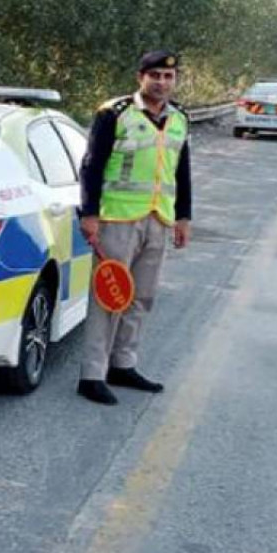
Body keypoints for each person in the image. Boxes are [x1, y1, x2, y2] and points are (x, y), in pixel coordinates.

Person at [76, 50, 193, 406]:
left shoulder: (178, 117)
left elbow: (181, 169)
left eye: (168, 77)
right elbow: (92, 165)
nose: (162, 82)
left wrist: (183, 217)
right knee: (109, 297)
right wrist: (89, 213)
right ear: (140, 77)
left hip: (159, 217)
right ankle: (92, 375)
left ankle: (122, 364)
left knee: (141, 297)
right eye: (155, 75)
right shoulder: (114, 113)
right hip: (117, 220)